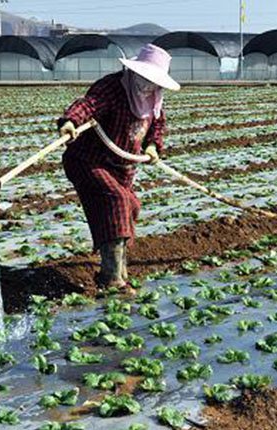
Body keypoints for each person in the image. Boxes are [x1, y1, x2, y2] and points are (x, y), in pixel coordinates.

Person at [57, 44, 180, 295]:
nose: (148, 85)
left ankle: (119, 270)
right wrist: (71, 121)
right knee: (117, 200)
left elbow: (157, 125)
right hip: (89, 161)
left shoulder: (153, 98)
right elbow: (88, 105)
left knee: (131, 205)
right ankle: (111, 278)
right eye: (145, 78)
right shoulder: (113, 88)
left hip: (122, 168)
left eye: (153, 81)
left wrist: (153, 146)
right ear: (135, 72)